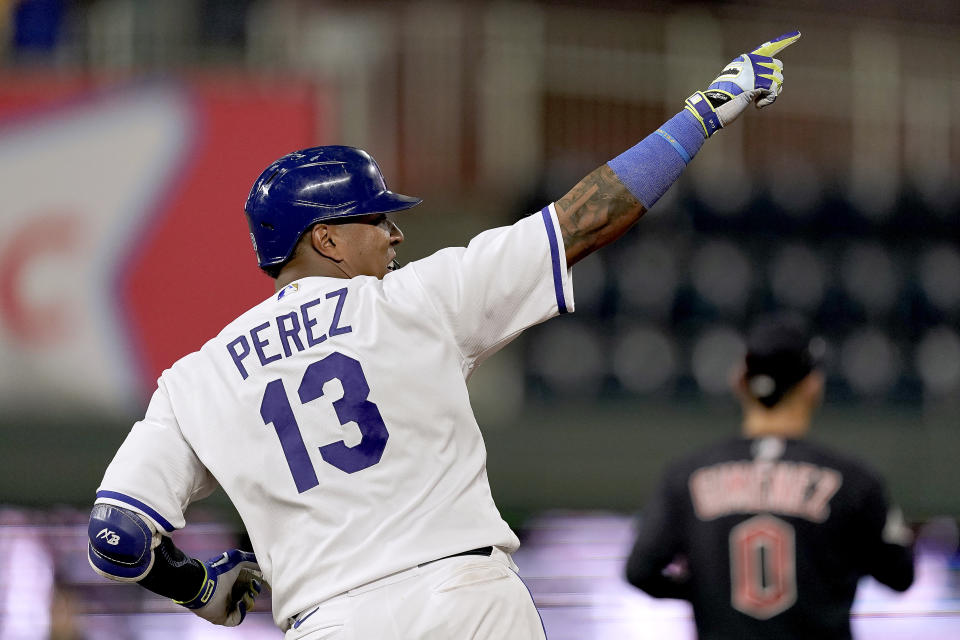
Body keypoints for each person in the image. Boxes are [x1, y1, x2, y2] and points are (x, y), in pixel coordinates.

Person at [86, 32, 801, 639]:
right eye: (376, 220)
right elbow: (586, 217)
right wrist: (709, 110)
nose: (396, 233)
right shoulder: (415, 299)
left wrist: (193, 588)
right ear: (328, 239)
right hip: (466, 601)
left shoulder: (197, 379)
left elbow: (115, 535)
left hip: (331, 621)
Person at [624, 313, 915, 640]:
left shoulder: (686, 476)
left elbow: (640, 571)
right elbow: (900, 574)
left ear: (739, 380)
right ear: (812, 386)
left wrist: (705, 590)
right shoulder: (854, 480)